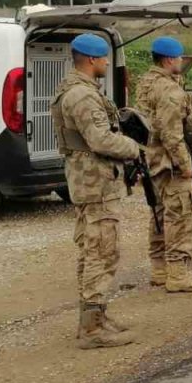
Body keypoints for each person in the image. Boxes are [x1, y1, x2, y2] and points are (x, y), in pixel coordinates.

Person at [51, 33, 142, 349]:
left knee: (95, 248)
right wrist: (134, 148)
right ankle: (92, 329)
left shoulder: (75, 89)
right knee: (101, 250)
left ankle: (96, 317)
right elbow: (100, 140)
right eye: (104, 58)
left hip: (89, 181)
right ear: (91, 59)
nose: (106, 62)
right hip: (95, 184)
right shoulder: (83, 96)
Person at [134, 36, 192, 293]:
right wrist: (185, 165)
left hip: (152, 161)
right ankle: (178, 275)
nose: (180, 61)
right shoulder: (169, 91)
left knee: (159, 215)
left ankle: (159, 270)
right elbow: (171, 134)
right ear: (169, 60)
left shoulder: (146, 82)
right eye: (178, 57)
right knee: (180, 216)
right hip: (169, 164)